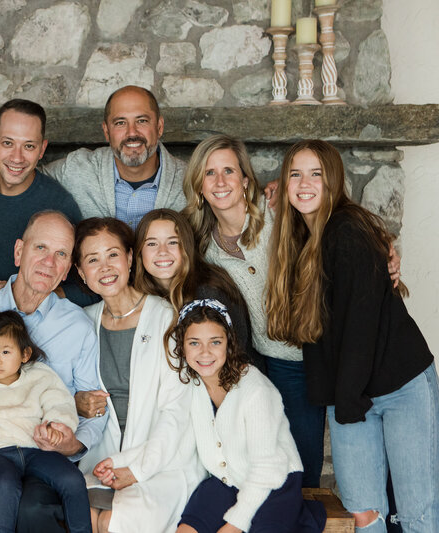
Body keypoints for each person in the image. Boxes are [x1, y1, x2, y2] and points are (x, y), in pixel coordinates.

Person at [266, 140, 438, 532]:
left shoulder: (349, 230)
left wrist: (343, 405)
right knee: (364, 515)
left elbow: (360, 327)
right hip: (350, 394)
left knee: (417, 514)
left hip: (400, 387)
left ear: (334, 181)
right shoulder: (298, 239)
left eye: (316, 174)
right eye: (295, 174)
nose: (305, 183)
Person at [0, 210, 106, 533]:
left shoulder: (77, 326)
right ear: (19, 252)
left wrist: (71, 443)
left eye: (61, 254)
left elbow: (94, 408)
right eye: (40, 248)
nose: (49, 261)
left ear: (67, 270)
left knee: (36, 507)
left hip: (39, 450)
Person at [181, 134, 323, 487]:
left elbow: (336, 223)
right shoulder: (202, 248)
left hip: (322, 349)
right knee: (275, 466)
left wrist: (384, 249)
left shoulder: (280, 210)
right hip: (271, 363)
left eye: (229, 170)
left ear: (246, 179)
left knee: (306, 472)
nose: (220, 181)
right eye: (209, 173)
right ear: (199, 186)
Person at [71, 217, 202, 533]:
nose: (105, 267)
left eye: (113, 254)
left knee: (118, 522)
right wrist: (76, 401)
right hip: (101, 461)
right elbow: (58, 391)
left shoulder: (167, 317)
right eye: (92, 259)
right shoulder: (81, 323)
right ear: (80, 272)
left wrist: (138, 469)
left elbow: (177, 411)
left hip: (162, 460)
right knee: (86, 519)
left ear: (130, 258)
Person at [169, 299, 326, 533]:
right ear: (182, 346)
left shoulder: (255, 390)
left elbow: (267, 468)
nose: (204, 352)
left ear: (229, 344)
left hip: (273, 482)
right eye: (194, 343)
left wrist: (234, 524)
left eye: (215, 342)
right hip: (227, 480)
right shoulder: (191, 382)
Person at [0, 311, 90, 533]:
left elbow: (59, 402)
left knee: (72, 478)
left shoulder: (40, 375)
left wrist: (56, 426)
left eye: (5, 351)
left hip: (36, 449)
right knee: (5, 485)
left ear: (25, 354)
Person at [0, 98, 90, 306]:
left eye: (28, 146)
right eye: (8, 143)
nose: (17, 157)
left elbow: (89, 287)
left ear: (42, 149)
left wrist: (18, 292)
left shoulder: (59, 206)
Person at [42, 85, 187, 229]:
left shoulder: (189, 180)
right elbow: (28, 179)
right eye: (120, 123)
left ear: (159, 127)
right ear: (106, 131)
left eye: (142, 121)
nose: (132, 133)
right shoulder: (78, 168)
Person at [132, 208, 257, 365]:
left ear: (187, 246)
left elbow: (232, 360)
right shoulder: (140, 297)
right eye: (151, 243)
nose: (162, 251)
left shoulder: (209, 294)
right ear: (138, 251)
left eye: (172, 242)